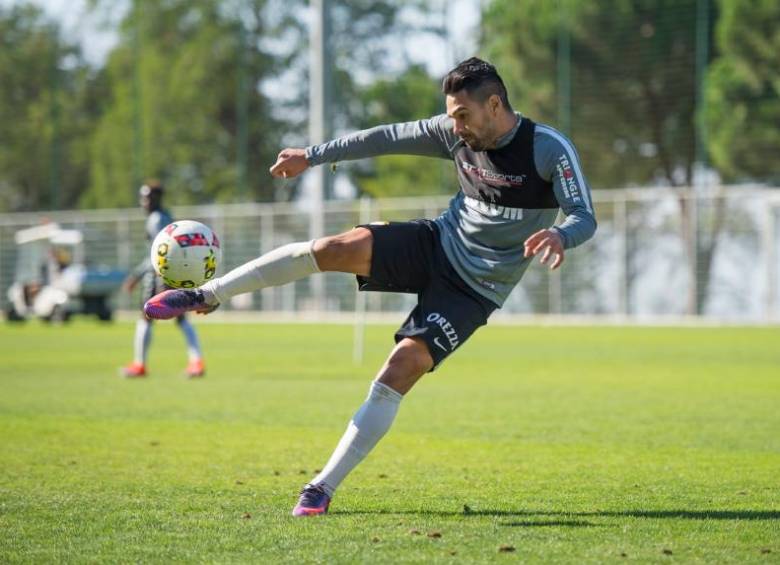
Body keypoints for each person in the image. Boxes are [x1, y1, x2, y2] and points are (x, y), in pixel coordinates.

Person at [144, 57, 596, 513]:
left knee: (399, 369)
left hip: (475, 290)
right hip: (437, 243)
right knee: (335, 247)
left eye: (463, 115)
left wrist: (560, 233)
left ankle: (320, 487)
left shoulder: (547, 149)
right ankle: (208, 293)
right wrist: (313, 155)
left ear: (494, 104)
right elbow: (384, 137)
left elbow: (584, 216)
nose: (455, 125)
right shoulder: (451, 131)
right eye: (451, 114)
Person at [120, 181, 206, 378]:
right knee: (181, 318)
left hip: (160, 274)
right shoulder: (163, 217)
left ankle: (140, 364)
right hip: (168, 274)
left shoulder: (157, 219)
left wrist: (136, 276)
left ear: (156, 199)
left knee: (147, 316)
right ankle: (196, 362)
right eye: (142, 198)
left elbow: (158, 255)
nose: (144, 202)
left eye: (147, 198)